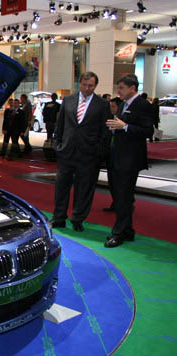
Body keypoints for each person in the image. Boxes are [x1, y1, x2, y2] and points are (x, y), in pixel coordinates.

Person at [51, 71, 110, 232]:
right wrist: (57, 144)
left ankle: (78, 219)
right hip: (66, 151)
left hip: (89, 154)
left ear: (95, 86)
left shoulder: (102, 104)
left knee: (84, 189)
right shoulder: (68, 100)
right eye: (84, 85)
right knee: (61, 186)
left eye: (90, 86)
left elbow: (105, 131)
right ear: (80, 84)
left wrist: (99, 152)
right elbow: (60, 124)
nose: (87, 88)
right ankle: (58, 217)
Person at [104, 74, 153, 248]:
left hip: (130, 159)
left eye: (121, 88)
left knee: (123, 197)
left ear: (132, 88)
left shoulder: (143, 105)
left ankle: (118, 233)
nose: (118, 91)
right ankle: (127, 230)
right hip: (118, 157)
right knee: (120, 196)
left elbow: (148, 131)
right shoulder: (124, 104)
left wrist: (124, 127)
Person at [103, 97, 122, 212]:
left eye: (113, 106)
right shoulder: (109, 119)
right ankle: (115, 202)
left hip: (120, 155)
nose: (111, 108)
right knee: (112, 181)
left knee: (119, 182)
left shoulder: (123, 121)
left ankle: (123, 203)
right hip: (110, 154)